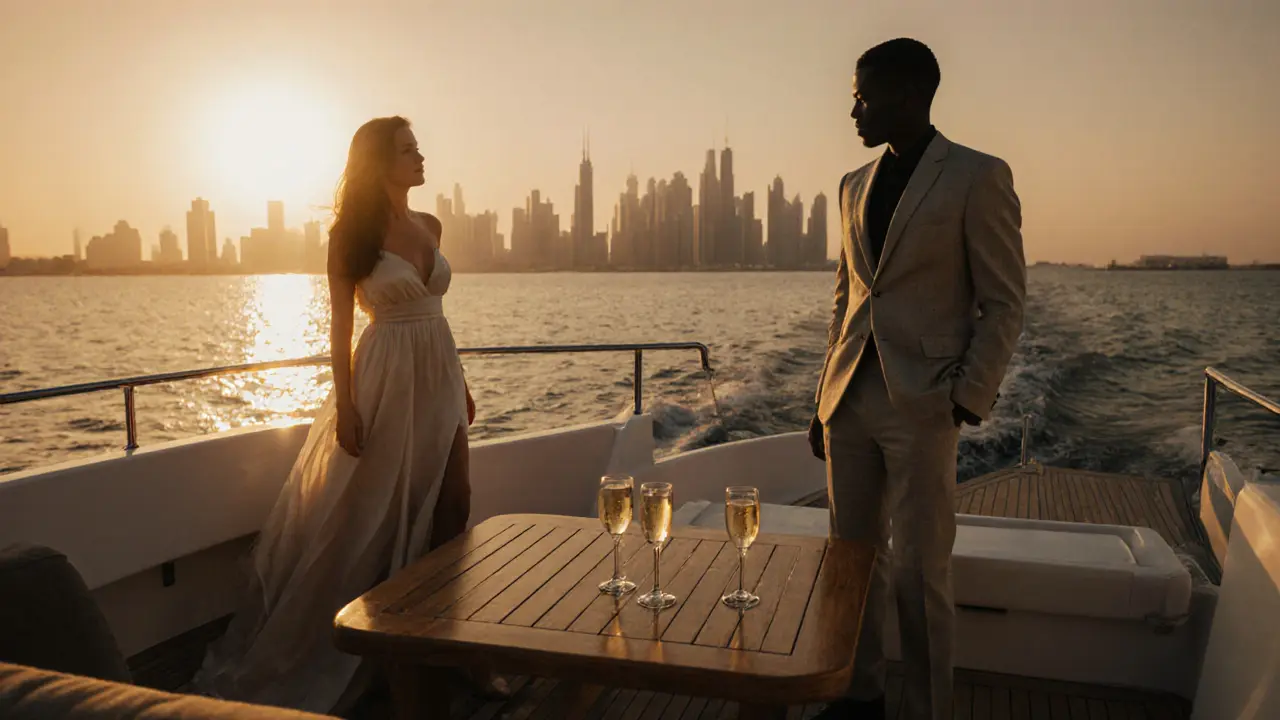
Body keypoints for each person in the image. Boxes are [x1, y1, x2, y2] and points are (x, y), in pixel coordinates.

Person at [192, 116, 477, 714]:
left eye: (419, 147)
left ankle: (444, 649)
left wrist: (462, 384)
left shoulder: (432, 224)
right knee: (371, 519)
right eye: (408, 150)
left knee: (453, 507)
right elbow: (340, 326)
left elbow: (436, 315)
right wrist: (346, 405)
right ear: (379, 163)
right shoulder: (351, 234)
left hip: (439, 373)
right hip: (385, 379)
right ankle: (381, 648)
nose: (421, 157)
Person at [809, 39, 1026, 720]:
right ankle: (859, 694)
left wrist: (968, 396)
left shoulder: (976, 177)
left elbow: (1005, 301)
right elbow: (846, 300)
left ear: (908, 95)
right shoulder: (850, 185)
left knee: (919, 569)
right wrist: (822, 400)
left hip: (926, 401)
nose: (853, 109)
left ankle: (926, 709)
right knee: (852, 558)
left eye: (863, 95)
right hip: (850, 399)